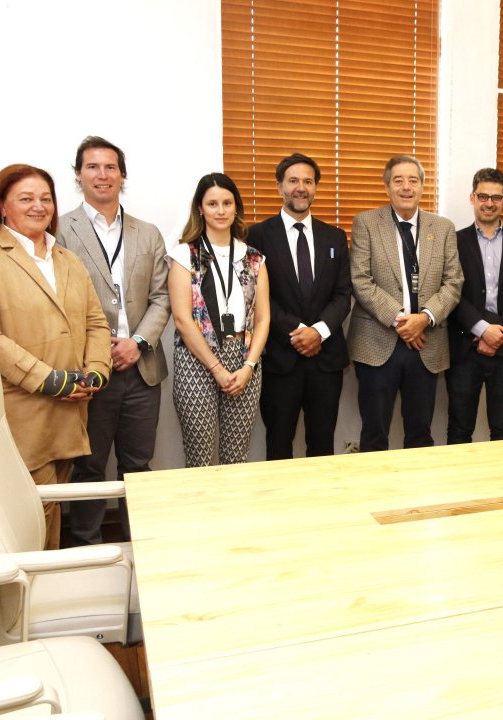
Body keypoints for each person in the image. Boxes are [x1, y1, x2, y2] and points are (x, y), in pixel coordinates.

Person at [0, 164, 111, 550]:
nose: (39, 206)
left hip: (70, 412)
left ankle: (46, 584)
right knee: (24, 524)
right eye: (26, 198)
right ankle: (28, 589)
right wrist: (49, 379)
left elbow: (95, 323)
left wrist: (95, 372)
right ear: (2, 206)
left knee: (50, 514)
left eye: (45, 198)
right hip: (19, 415)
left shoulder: (68, 260)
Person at [57, 136, 171, 545]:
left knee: (138, 465)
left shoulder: (148, 233)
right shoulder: (59, 230)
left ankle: (140, 549)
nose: (102, 175)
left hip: (142, 368)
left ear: (123, 175)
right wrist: (98, 349)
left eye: (110, 167)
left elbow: (162, 297)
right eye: (92, 167)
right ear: (78, 175)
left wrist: (137, 341)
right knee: (89, 467)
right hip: (90, 369)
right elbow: (57, 299)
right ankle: (86, 548)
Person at [349, 154, 463, 451]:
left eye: (413, 180)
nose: (406, 187)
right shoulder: (366, 223)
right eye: (398, 180)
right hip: (377, 343)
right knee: (374, 434)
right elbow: (360, 280)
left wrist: (424, 318)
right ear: (387, 186)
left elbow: (453, 282)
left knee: (420, 434)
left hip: (426, 343)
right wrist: (402, 321)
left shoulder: (443, 227)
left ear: (422, 186)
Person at [247, 153, 351, 459]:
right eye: (293, 181)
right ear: (279, 186)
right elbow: (257, 296)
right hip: (281, 358)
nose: (301, 188)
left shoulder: (334, 237)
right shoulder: (257, 236)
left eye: (308, 181)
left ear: (316, 187)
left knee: (322, 445)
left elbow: (343, 294)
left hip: (326, 359)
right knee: (278, 445)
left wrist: (318, 332)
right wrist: (296, 330)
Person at [167, 173, 269, 466]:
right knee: (199, 456)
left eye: (227, 203)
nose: (221, 210)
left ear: (236, 207)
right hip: (197, 358)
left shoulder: (254, 258)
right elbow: (182, 319)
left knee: (236, 456)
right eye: (212, 204)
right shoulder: (184, 255)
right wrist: (216, 368)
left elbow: (263, 319)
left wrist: (249, 366)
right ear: (200, 208)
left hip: (244, 359)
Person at [446, 168, 503, 443]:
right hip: (465, 347)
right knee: (459, 428)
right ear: (472, 197)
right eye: (483, 196)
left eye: (496, 197)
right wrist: (483, 329)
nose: (489, 203)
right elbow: (451, 292)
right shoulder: (454, 241)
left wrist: (498, 334)